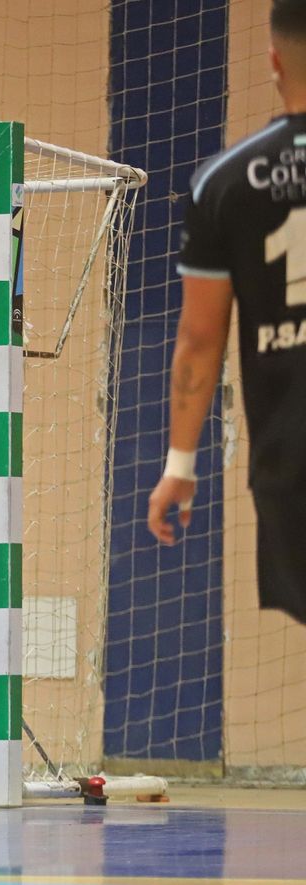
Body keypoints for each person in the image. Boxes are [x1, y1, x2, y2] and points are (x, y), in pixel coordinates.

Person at [148, 0, 306, 627]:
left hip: (289, 466)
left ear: (273, 61)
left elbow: (198, 338)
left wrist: (180, 465)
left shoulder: (222, 184)